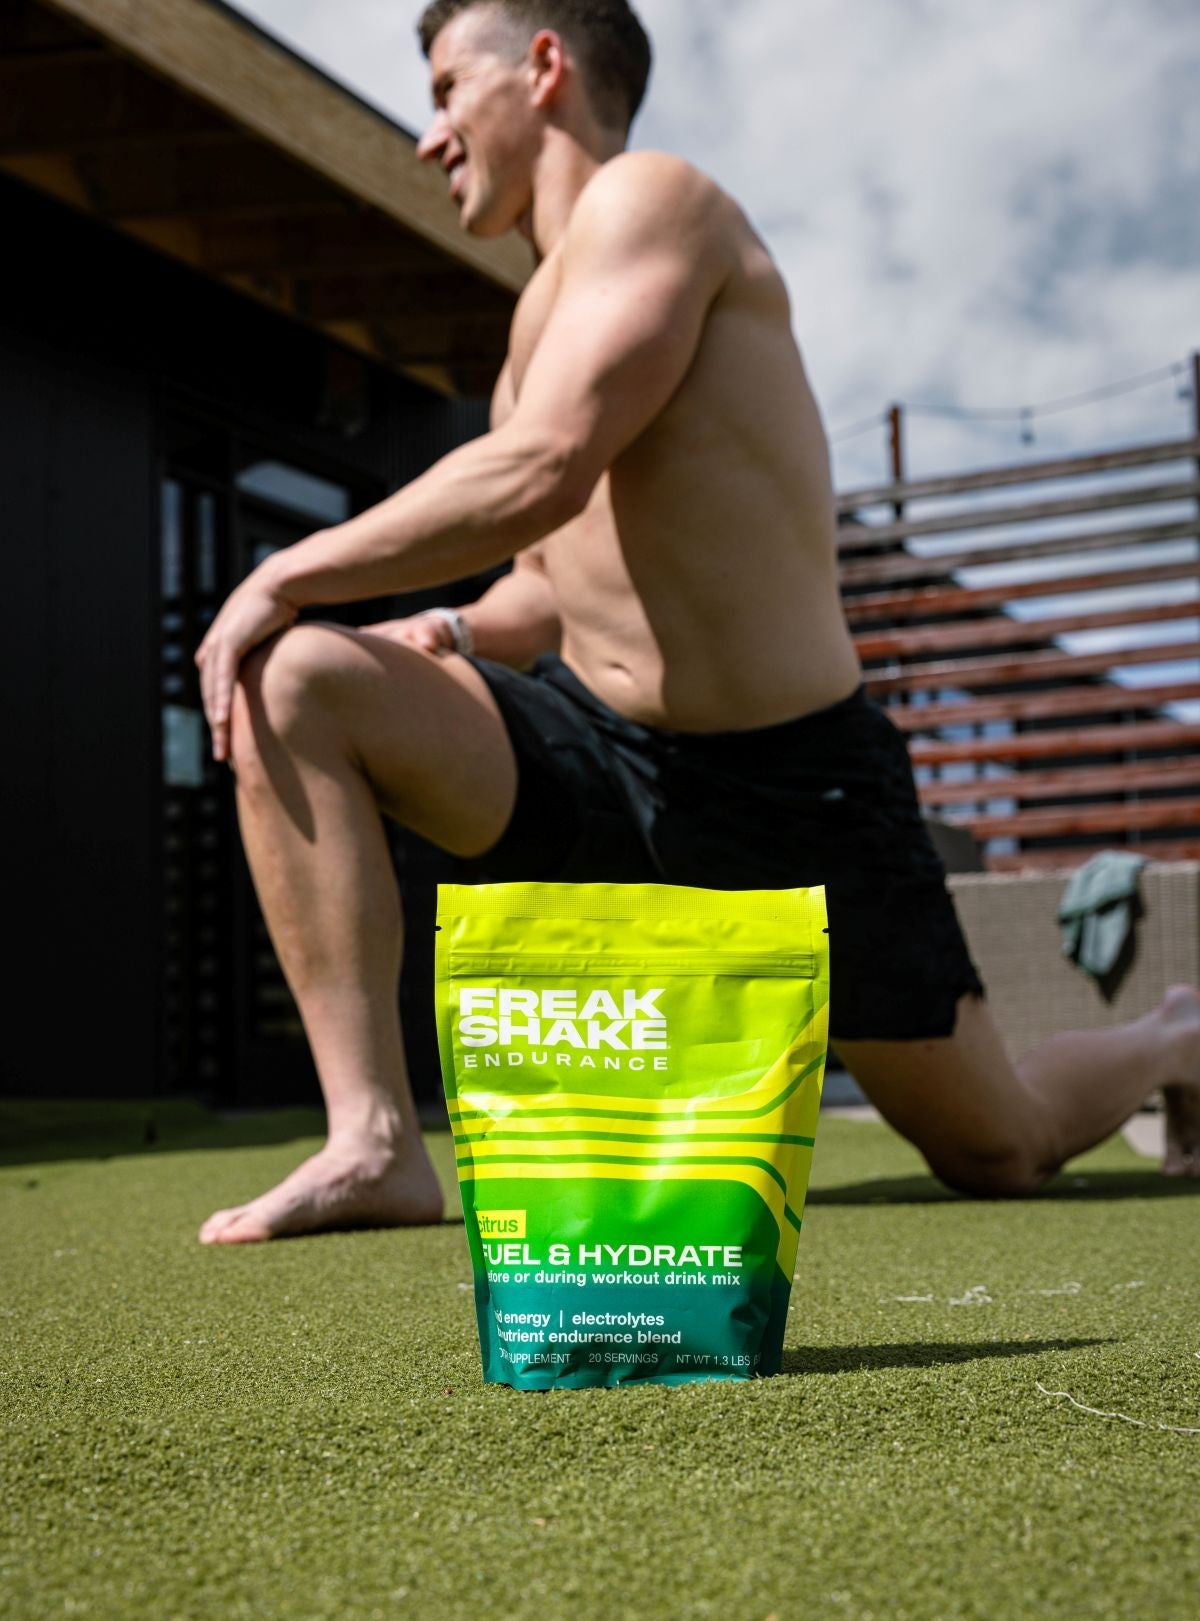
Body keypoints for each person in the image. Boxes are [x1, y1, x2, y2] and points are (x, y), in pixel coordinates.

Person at [195, 0, 1200, 1244]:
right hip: (604, 758)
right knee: (298, 684)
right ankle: (376, 1142)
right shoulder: (529, 329)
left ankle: (1173, 1037)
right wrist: (460, 627)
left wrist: (287, 566)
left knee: (1001, 1147)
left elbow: (547, 464)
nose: (430, 134)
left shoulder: (655, 202)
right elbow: (551, 577)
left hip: (793, 782)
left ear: (546, 67)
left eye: (449, 88)